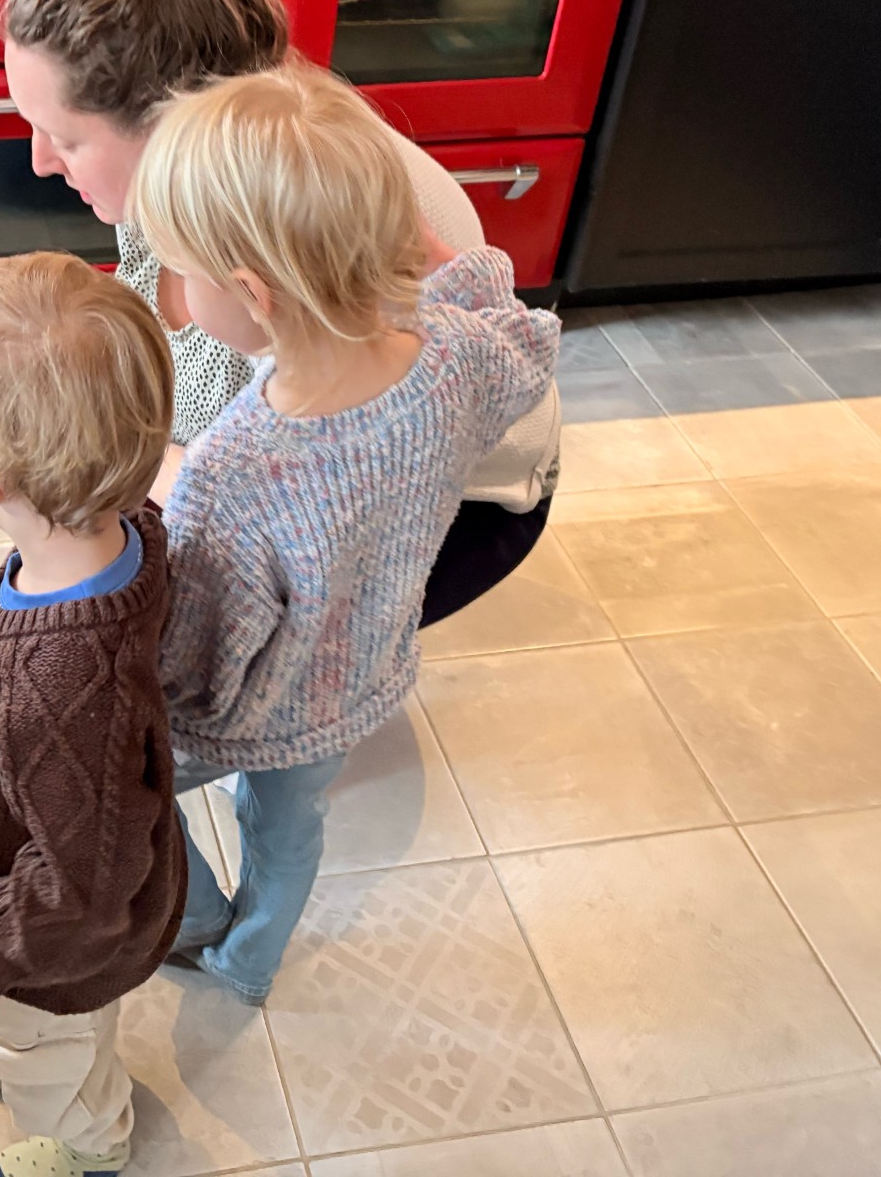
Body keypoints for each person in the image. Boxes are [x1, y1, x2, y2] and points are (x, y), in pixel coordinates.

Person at [0, 0, 560, 633]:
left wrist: (63, 462)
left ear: (170, 122)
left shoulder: (298, 233)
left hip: (445, 502)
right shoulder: (210, 145)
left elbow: (263, 507)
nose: (42, 162)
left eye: (67, 138)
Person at [132, 63, 561, 1004]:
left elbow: (200, 653)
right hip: (365, 681)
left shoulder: (234, 469)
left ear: (252, 292)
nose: (173, 290)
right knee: (290, 831)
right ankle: (252, 965)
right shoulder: (453, 357)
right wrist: (441, 252)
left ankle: (199, 922)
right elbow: (527, 336)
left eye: (180, 270)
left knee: (125, 792)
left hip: (261, 709)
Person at [0, 252, 186, 1177]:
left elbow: (88, 881)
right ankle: (46, 1058)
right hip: (58, 888)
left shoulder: (63, 682)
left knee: (52, 1060)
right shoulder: (126, 530)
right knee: (47, 1039)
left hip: (52, 949)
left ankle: (86, 1144)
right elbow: (60, 681)